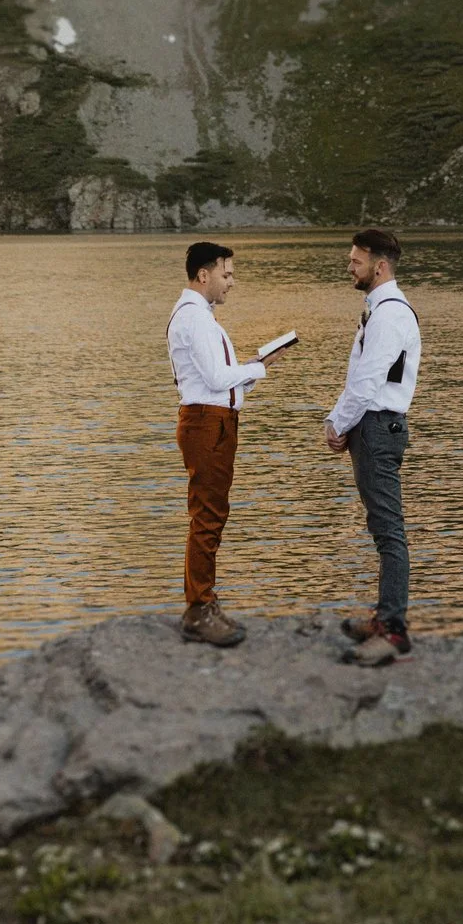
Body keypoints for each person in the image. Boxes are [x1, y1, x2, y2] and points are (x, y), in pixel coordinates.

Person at [168, 240, 285, 646]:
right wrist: (254, 367)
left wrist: (255, 371)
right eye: (227, 274)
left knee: (212, 513)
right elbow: (218, 381)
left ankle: (204, 602)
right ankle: (198, 609)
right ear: (205, 274)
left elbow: (220, 384)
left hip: (213, 419)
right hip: (206, 425)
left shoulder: (200, 317)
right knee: (207, 516)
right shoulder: (196, 320)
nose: (231, 283)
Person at [323, 227, 421, 666]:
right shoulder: (379, 310)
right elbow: (361, 378)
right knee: (382, 528)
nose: (350, 265)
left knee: (388, 531)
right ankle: (384, 616)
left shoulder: (390, 315)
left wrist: (336, 423)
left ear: (379, 267)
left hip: (378, 427)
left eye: (356, 260)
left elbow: (367, 381)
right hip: (374, 426)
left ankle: (393, 630)